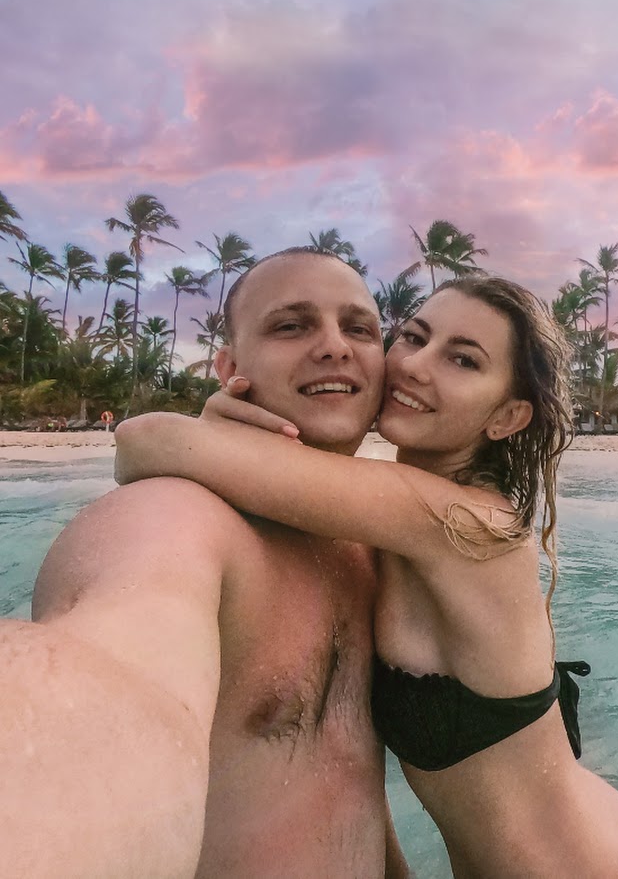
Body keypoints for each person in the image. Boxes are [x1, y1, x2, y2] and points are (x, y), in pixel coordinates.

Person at [116, 275, 618, 878]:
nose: (415, 365)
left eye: (463, 360)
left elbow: (145, 439)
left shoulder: (467, 525)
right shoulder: (388, 525)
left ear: (506, 416)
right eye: (413, 337)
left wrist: (217, 424)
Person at [4, 248, 407, 877]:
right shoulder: (174, 519)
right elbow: (106, 683)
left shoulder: (371, 545)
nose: (335, 346)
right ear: (229, 368)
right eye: (291, 325)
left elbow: (346, 771)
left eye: (359, 328)